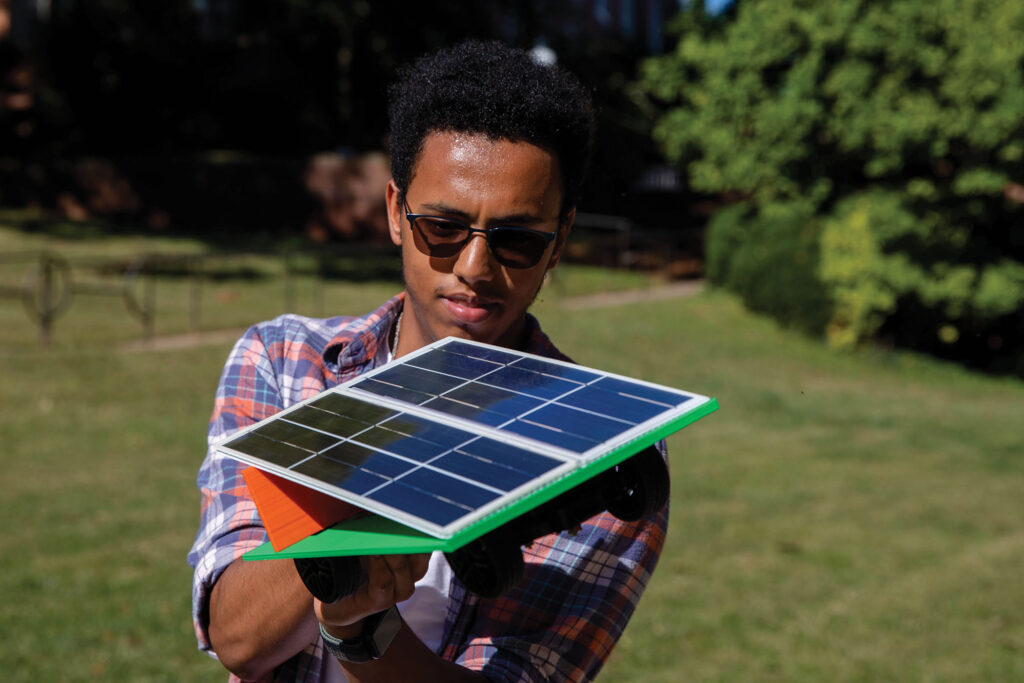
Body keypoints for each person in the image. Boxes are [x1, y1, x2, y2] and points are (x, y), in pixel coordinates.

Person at [188, 40, 668, 682]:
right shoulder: (285, 361)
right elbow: (236, 635)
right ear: (394, 211)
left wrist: (358, 629)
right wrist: (350, 528)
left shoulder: (608, 455)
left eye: (517, 239)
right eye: (441, 227)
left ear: (559, 244)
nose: (474, 267)